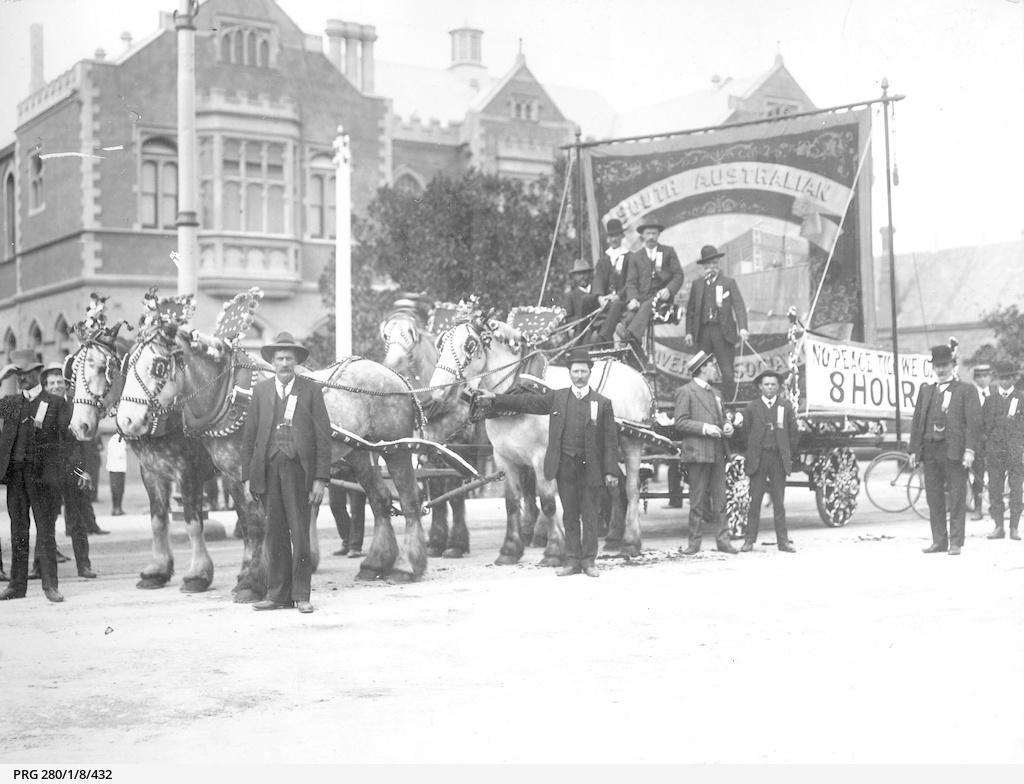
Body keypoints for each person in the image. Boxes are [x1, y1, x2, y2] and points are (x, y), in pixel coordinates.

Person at [476, 347, 619, 577]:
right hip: (565, 468)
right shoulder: (557, 397)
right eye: (576, 371)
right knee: (570, 515)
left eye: (583, 371)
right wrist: (496, 398)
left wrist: (611, 470)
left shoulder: (603, 403)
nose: (579, 375)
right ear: (570, 373)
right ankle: (571, 560)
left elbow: (611, 441)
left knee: (590, 515)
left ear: (589, 373)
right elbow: (526, 403)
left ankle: (589, 562)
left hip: (591, 468)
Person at [241, 332, 331, 613]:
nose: (283, 363)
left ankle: (301, 594)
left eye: (288, 359)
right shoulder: (261, 391)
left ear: (296, 362)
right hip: (268, 471)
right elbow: (250, 437)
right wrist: (247, 477)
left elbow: (323, 438)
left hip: (298, 472)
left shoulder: (311, 390)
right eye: (279, 359)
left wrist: (320, 478)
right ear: (272, 362)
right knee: (275, 534)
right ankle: (277, 594)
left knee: (300, 535)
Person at [0, 350, 88, 602]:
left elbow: (71, 441)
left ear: (36, 374)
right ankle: (17, 586)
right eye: (16, 374)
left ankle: (50, 585)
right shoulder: (12, 403)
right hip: (16, 477)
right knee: (18, 531)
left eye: (24, 373)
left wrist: (79, 470)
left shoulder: (56, 402)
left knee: (45, 532)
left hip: (44, 479)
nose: (20, 379)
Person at [908, 344, 981, 556]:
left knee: (957, 497)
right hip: (930, 452)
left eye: (944, 365)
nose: (940, 370)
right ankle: (939, 541)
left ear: (953, 365)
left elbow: (973, 424)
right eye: (937, 366)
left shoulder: (966, 390)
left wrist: (970, 450)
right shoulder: (926, 390)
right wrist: (914, 450)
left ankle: (956, 542)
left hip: (955, 452)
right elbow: (917, 423)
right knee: (934, 498)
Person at [673, 350, 739, 555]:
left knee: (720, 500)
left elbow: (721, 418)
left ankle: (723, 541)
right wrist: (705, 428)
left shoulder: (716, 393)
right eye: (711, 366)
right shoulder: (686, 391)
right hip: (697, 453)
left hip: (717, 452)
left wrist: (727, 426)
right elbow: (680, 422)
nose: (714, 369)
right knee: (697, 500)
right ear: (702, 368)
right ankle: (694, 543)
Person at [40, 363, 97, 578]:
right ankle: (42, 567)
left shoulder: (75, 408)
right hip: (49, 474)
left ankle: (84, 565)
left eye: (59, 382)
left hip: (74, 472)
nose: (56, 386)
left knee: (77, 522)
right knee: (47, 522)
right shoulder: (41, 408)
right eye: (51, 383)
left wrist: (85, 471)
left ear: (66, 385)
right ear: (45, 386)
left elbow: (84, 445)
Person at [740, 369, 799, 553]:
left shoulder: (785, 406)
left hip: (778, 460)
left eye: (773, 385)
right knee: (754, 501)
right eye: (766, 384)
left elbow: (793, 434)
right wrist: (751, 452)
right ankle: (749, 540)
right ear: (760, 387)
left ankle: (783, 542)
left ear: (778, 387)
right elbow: (745, 433)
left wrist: (788, 454)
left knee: (779, 502)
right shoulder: (752, 408)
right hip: (758, 458)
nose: (770, 388)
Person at [684, 244, 749, 402]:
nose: (711, 268)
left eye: (714, 264)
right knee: (701, 371)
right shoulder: (697, 285)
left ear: (718, 265)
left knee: (727, 373)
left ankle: (729, 406)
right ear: (703, 267)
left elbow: (739, 307)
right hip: (703, 333)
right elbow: (691, 310)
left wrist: (743, 328)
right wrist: (688, 332)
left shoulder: (728, 283)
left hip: (723, 333)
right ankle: (703, 404)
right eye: (708, 265)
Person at [623, 217, 685, 364]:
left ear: (658, 235)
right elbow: (631, 282)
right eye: (648, 234)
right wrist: (633, 298)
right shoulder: (636, 256)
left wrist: (669, 290)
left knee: (638, 318)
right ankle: (639, 358)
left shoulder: (668, 252)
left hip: (661, 300)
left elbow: (679, 275)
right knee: (630, 317)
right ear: (642, 236)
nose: (651, 237)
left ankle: (629, 335)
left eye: (654, 234)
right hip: (643, 299)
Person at [980, 361, 1024, 541]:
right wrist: (986, 448)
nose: (1005, 382)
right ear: (997, 379)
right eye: (1001, 378)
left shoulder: (1021, 398)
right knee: (995, 489)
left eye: (1008, 377)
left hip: (1015, 451)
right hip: (995, 451)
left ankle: (1014, 526)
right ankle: (998, 525)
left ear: (1014, 378)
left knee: (1016, 490)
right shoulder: (990, 400)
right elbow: (983, 426)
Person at [592, 218, 630, 346]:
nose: (614, 239)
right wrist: (600, 297)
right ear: (608, 238)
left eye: (616, 235)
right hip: (606, 300)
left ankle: (603, 338)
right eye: (611, 236)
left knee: (617, 304)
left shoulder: (629, 257)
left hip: (622, 299)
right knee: (587, 300)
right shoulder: (604, 259)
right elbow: (598, 279)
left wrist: (618, 295)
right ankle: (580, 342)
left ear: (622, 236)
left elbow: (631, 281)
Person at [969, 363, 992, 520]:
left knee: (995, 474)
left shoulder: (995, 394)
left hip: (992, 441)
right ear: (975, 379)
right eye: (979, 376)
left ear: (990, 377)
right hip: (977, 441)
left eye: (985, 376)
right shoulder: (970, 395)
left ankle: (995, 505)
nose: (983, 379)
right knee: (977, 475)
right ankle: (977, 508)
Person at [561, 258, 601, 341]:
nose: (582, 277)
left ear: (590, 274)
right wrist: (584, 318)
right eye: (579, 274)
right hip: (582, 334)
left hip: (600, 329)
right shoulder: (570, 296)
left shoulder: (597, 291)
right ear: (574, 277)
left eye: (585, 273)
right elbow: (568, 319)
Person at [330, 483, 366, 557]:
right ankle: (347, 541)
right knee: (335, 505)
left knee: (356, 509)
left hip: (356, 475)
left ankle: (355, 546)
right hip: (336, 473)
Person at [106, 433, 127, 516]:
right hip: (118, 467)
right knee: (118, 489)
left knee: (115, 489)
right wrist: (126, 450)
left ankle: (116, 508)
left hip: (113, 467)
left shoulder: (113, 439)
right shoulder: (119, 439)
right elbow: (120, 453)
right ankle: (117, 508)